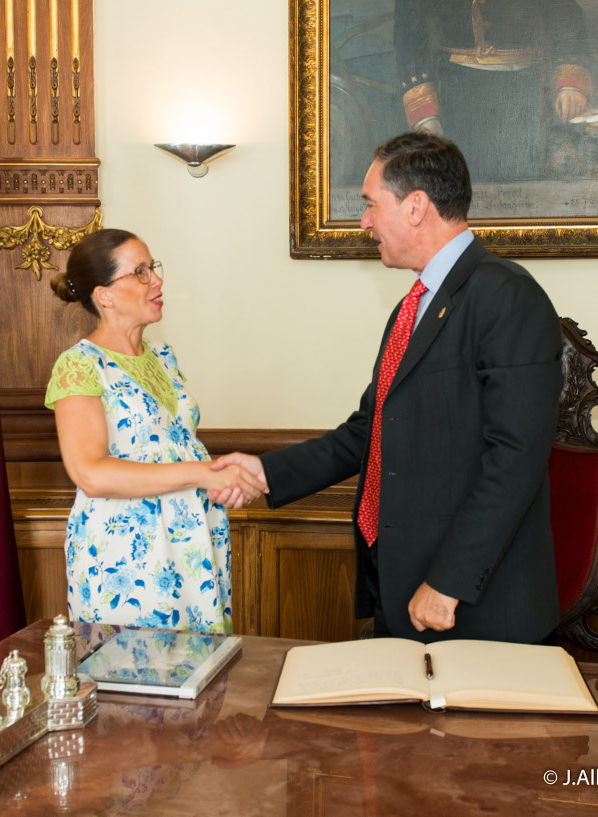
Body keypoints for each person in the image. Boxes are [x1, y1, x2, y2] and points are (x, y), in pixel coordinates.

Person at [216, 133, 563, 644]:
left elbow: (515, 460)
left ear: (416, 206)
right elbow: (370, 430)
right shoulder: (413, 306)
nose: (364, 221)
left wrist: (448, 582)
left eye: (371, 204)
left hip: (472, 604)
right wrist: (267, 472)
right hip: (400, 582)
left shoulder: (506, 296)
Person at [45, 229, 266, 633]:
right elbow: (90, 474)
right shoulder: (79, 365)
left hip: (192, 538)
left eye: (153, 268)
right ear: (105, 295)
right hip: (128, 554)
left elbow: (174, 448)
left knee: (199, 678)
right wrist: (203, 473)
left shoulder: (163, 356)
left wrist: (219, 479)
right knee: (135, 681)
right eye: (140, 272)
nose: (157, 281)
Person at [394, 0, 592, 181]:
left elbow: (565, 12)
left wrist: (570, 80)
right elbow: (409, 28)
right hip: (456, 91)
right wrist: (425, 114)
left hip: (527, 90)